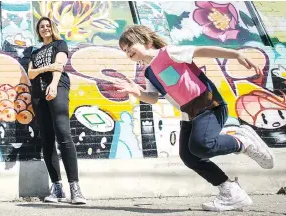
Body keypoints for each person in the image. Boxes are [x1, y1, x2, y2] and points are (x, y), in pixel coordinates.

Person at [113, 25, 275, 212]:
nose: (127, 52)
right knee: (189, 156)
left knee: (201, 146)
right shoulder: (149, 72)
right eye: (124, 50)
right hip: (189, 115)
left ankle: (241, 142)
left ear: (146, 42)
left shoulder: (169, 53)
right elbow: (153, 98)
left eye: (129, 46)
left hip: (208, 105)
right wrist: (137, 93)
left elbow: (201, 50)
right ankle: (231, 192)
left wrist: (235, 55)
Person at [27, 17, 86, 204]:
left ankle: (75, 188)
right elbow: (30, 73)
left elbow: (59, 66)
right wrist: (49, 67)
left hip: (57, 86)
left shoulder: (60, 44)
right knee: (47, 138)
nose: (45, 29)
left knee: (63, 133)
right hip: (38, 93)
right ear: (38, 30)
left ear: (52, 28)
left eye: (47, 26)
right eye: (41, 26)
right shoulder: (35, 52)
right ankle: (57, 188)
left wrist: (52, 83)